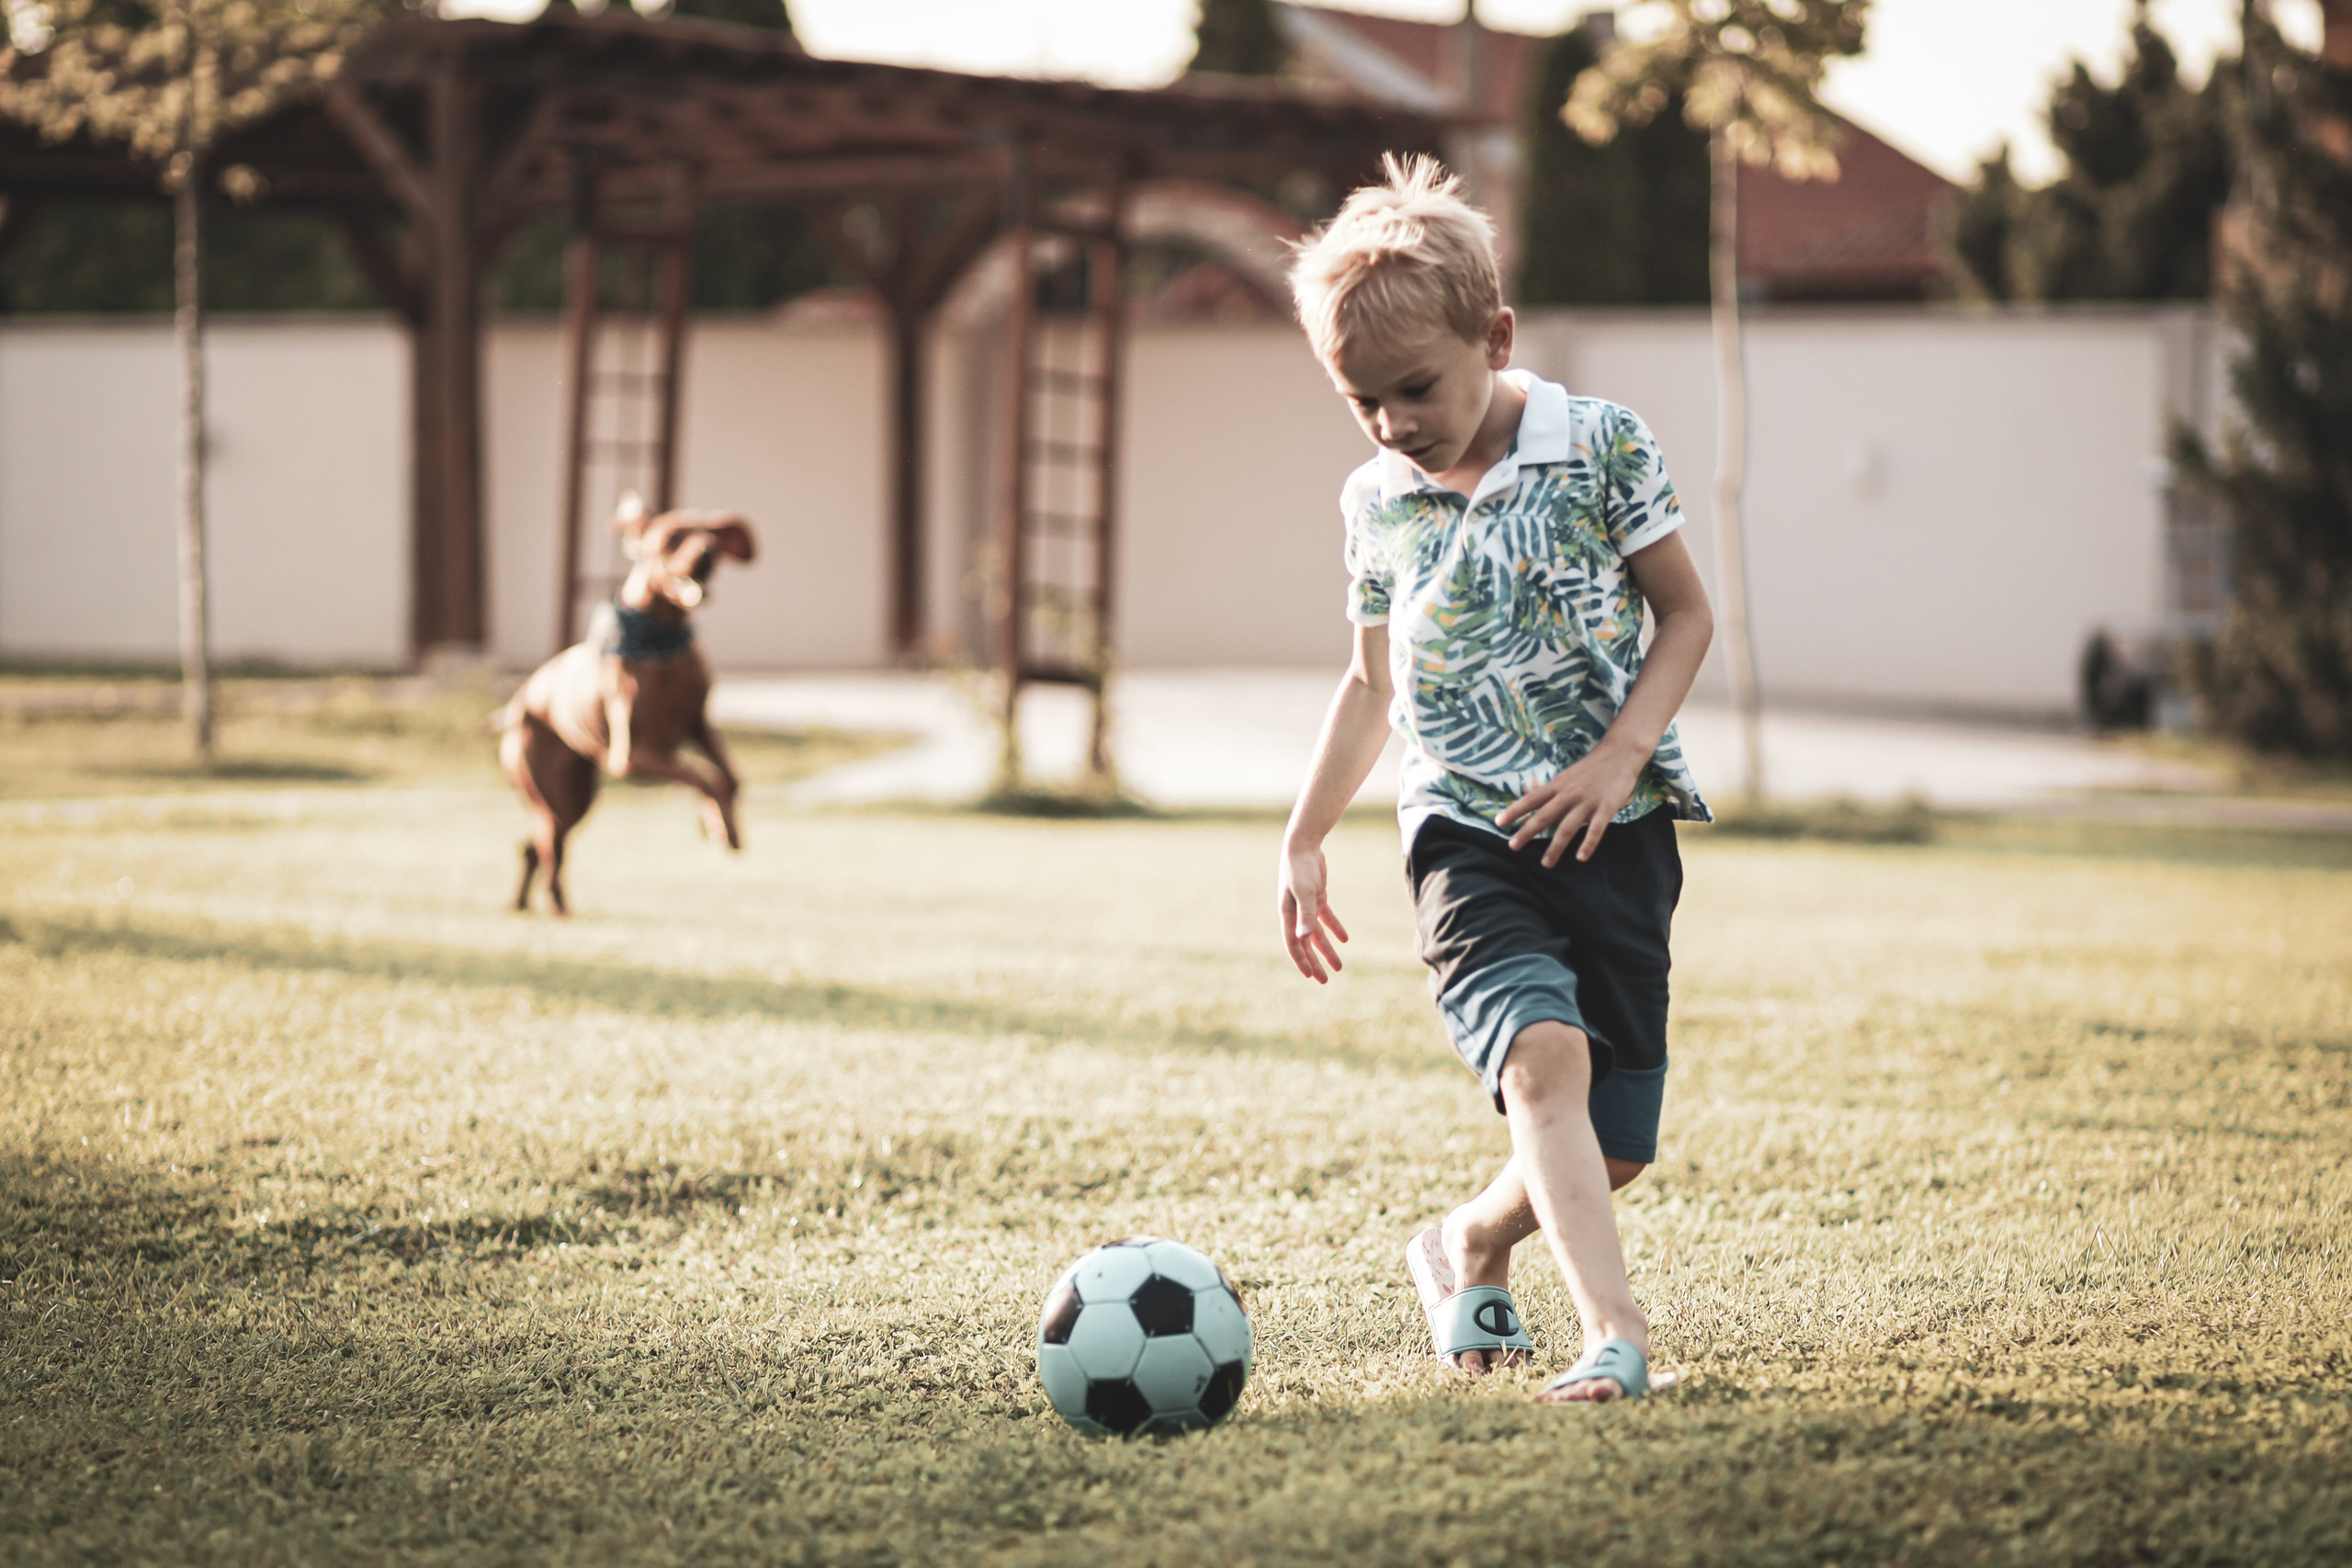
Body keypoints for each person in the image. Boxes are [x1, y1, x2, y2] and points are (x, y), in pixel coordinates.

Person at [1276, 155, 1714, 1404]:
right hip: (1465, 836)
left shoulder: (1602, 447)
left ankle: (1469, 1241)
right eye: (1363, 403)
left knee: (1613, 1145)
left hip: (1615, 831)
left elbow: (1685, 617)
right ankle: (1614, 1341)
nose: (1394, 424)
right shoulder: (1378, 502)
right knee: (1543, 1066)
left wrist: (1620, 753)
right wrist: (1306, 835)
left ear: (1496, 334)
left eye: (1414, 389)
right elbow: (1372, 685)